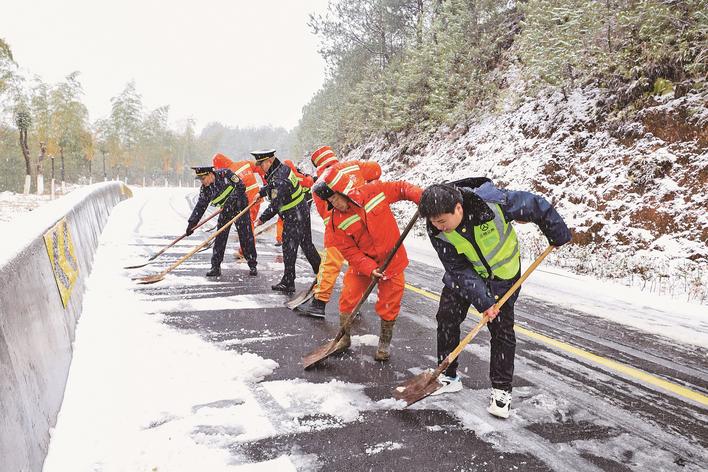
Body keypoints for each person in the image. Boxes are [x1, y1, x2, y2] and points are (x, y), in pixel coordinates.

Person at [417, 177, 571, 418]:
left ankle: (502, 390)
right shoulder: (435, 230)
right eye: (434, 222)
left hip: (503, 276)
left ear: (458, 208)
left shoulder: (493, 203)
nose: (439, 227)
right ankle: (448, 376)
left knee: (501, 331)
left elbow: (534, 204)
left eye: (442, 221)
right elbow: (457, 268)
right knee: (447, 317)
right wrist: (484, 302)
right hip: (465, 274)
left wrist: (557, 232)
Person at [312, 169, 422, 361]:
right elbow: (349, 251)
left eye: (335, 198)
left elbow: (402, 188)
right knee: (348, 298)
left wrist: (421, 197)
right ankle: (343, 338)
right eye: (330, 202)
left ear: (343, 190)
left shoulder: (375, 192)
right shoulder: (336, 221)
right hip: (363, 265)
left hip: (392, 261)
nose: (334, 204)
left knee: (390, 304)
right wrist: (369, 268)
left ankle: (384, 343)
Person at [295, 146, 382, 318]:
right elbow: (376, 170)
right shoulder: (354, 166)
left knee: (329, 265)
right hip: (363, 227)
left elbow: (326, 216)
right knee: (356, 267)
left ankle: (319, 303)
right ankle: (352, 305)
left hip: (339, 229)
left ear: (317, 165)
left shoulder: (319, 184)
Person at [253, 149, 321, 294]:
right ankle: (322, 274)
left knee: (289, 247)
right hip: (300, 210)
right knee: (307, 245)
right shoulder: (281, 168)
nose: (260, 167)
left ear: (269, 161)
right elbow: (271, 184)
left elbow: (275, 205)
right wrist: (261, 192)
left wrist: (261, 219)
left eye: (261, 164)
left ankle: (289, 282)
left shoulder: (279, 179)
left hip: (294, 214)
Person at [186, 165, 258, 277]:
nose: (202, 182)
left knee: (246, 236)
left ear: (210, 174)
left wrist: (232, 199)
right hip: (226, 210)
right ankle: (215, 267)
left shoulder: (226, 174)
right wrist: (192, 224)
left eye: (203, 179)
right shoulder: (205, 189)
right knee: (220, 237)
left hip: (240, 207)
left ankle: (252, 264)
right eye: (200, 180)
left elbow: (241, 186)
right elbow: (200, 206)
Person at [212, 153, 262, 226]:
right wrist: (266, 180)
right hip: (257, 196)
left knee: (247, 223)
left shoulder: (227, 174)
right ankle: (250, 230)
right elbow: (260, 168)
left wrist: (224, 207)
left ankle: (249, 233)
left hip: (246, 201)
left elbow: (227, 194)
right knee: (250, 219)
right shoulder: (244, 163)